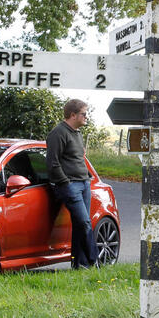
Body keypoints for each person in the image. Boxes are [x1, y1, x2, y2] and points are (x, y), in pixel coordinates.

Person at [46, 99, 98, 268]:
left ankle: (80, 264)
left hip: (84, 183)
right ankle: (94, 260)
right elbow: (52, 163)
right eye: (83, 114)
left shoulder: (77, 133)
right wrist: (65, 183)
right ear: (72, 115)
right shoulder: (58, 133)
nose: (86, 117)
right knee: (84, 222)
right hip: (70, 186)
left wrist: (87, 177)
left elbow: (77, 158)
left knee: (79, 224)